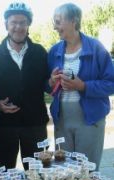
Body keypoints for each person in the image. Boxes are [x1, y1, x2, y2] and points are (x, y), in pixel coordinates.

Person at [0, 2, 49, 170]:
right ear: (6, 25)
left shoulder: (40, 52)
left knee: (38, 174)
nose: (18, 27)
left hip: (35, 125)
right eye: (13, 22)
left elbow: (48, 85)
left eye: (23, 22)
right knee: (3, 174)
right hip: (4, 126)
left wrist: (53, 82)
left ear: (28, 25)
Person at [48, 3, 114, 170]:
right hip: (62, 121)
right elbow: (46, 84)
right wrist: (50, 82)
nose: (54, 26)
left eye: (58, 21)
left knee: (87, 172)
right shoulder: (54, 51)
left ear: (74, 20)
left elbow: (111, 84)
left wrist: (82, 86)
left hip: (90, 120)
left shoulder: (96, 48)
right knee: (63, 171)